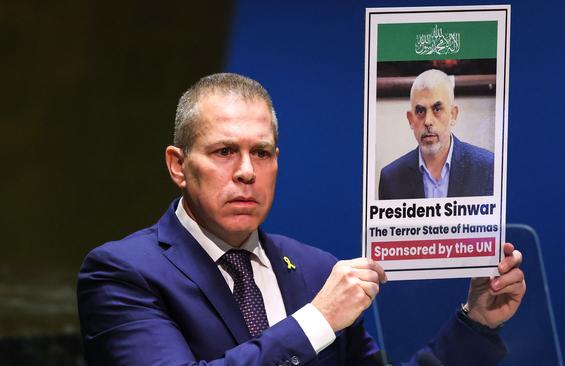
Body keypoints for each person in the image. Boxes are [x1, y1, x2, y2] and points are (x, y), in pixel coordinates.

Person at [77, 73, 525, 365]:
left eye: (262, 153)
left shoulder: (314, 271)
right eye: (224, 151)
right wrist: (317, 320)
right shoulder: (123, 272)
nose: (247, 170)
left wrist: (476, 322)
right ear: (178, 166)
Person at [378, 69, 494, 200]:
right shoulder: (391, 179)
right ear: (410, 119)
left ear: (453, 114)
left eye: (437, 109)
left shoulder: (487, 168)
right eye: (420, 111)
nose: (428, 121)